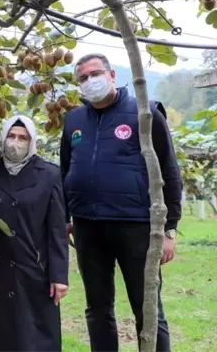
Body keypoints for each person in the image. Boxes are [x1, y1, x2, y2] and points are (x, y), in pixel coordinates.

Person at [60, 53, 183, 352]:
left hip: (136, 226)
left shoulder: (145, 113)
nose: (90, 81)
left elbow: (168, 171)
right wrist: (66, 217)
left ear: (112, 75)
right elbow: (65, 169)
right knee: (97, 308)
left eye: (95, 73)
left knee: (147, 308)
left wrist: (169, 230)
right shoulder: (74, 119)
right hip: (87, 227)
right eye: (83, 78)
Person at [0, 115, 68, 352]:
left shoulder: (49, 174)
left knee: (33, 335)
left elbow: (57, 228)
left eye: (23, 137)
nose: (15, 142)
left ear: (32, 141)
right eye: (11, 136)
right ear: (3, 138)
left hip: (34, 268)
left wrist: (59, 275)